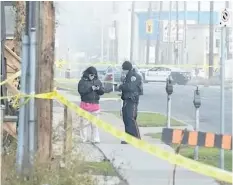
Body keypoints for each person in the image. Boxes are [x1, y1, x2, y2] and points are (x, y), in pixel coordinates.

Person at [78, 66, 104, 143]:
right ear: (87, 74)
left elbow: (102, 91)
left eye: (94, 75)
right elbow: (81, 91)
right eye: (91, 75)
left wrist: (98, 89)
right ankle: (83, 138)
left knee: (95, 124)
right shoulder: (82, 81)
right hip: (85, 105)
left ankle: (95, 139)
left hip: (95, 105)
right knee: (84, 124)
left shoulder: (97, 81)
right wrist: (90, 89)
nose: (93, 77)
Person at [118, 61, 142, 144]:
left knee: (130, 118)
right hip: (126, 99)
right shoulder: (127, 77)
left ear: (126, 69)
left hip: (132, 100)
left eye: (123, 69)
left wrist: (121, 86)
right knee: (126, 119)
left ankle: (136, 138)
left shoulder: (134, 76)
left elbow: (130, 87)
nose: (122, 71)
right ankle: (129, 138)